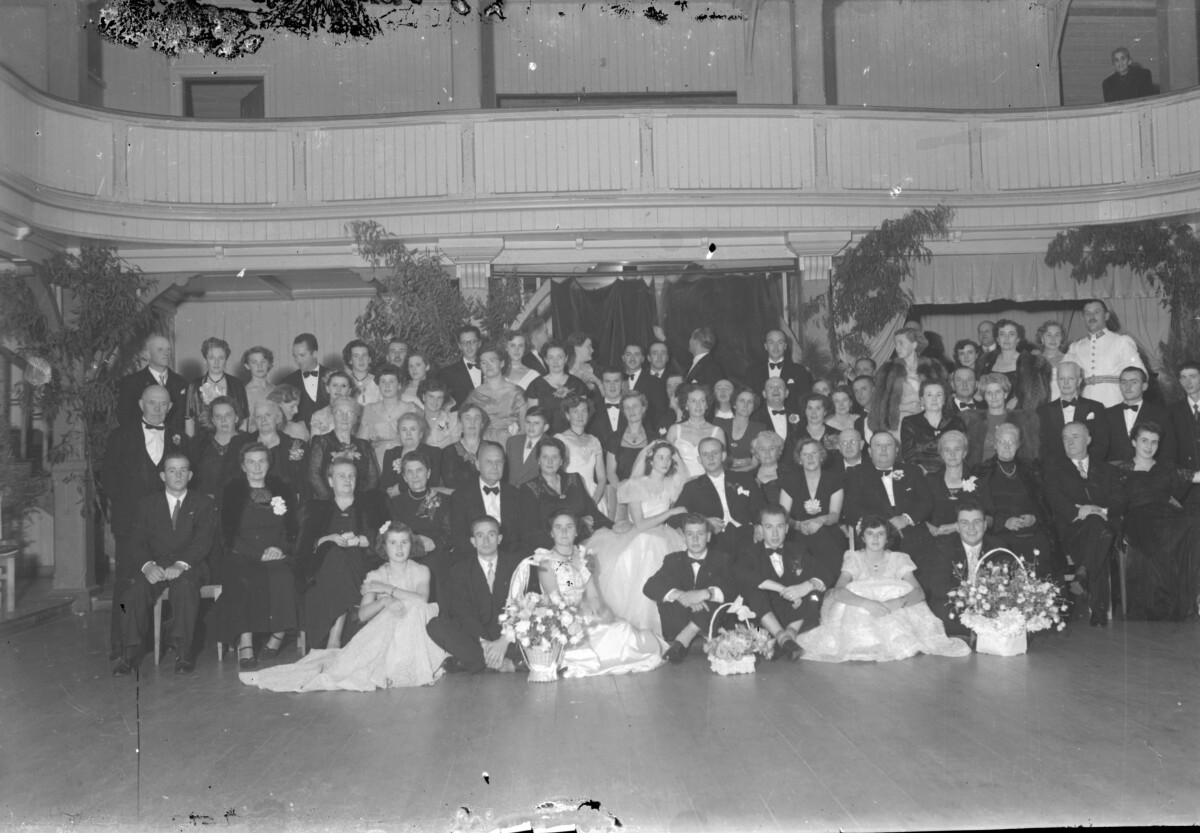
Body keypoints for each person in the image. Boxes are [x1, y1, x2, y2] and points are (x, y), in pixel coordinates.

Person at [242, 522, 448, 691]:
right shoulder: (375, 575)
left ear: (412, 546)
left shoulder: (421, 571)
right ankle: (393, 668)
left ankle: (404, 668)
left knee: (415, 609)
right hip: (385, 630)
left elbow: (421, 599)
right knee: (346, 665)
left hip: (415, 628)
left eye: (404, 542)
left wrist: (387, 589)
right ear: (384, 547)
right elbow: (364, 615)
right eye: (393, 543)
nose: (400, 548)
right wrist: (384, 601)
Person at [796, 514, 971, 663]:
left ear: (887, 538)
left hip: (893, 610)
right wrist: (867, 603)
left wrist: (898, 602)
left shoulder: (898, 559)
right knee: (854, 593)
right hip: (864, 611)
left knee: (900, 590)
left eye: (880, 534)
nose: (875, 538)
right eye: (870, 534)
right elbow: (839, 591)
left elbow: (919, 592)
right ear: (862, 538)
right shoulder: (854, 558)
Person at [519, 511, 663, 677]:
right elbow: (555, 601)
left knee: (622, 628)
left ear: (576, 531)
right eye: (558, 528)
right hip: (562, 618)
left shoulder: (583, 557)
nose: (564, 532)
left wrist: (602, 610)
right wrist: (581, 613)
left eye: (569, 527)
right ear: (551, 533)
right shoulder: (546, 562)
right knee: (591, 636)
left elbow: (593, 595)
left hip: (584, 613)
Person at [111, 452, 217, 676]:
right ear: (162, 475)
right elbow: (136, 542)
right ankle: (129, 654)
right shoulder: (147, 504)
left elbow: (204, 541)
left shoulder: (204, 503)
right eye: (171, 470)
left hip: (191, 565)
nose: (177, 475)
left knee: (185, 587)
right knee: (134, 592)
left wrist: (181, 564)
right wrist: (148, 566)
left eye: (182, 470)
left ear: (190, 475)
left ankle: (183, 653)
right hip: (157, 564)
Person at [103, 384, 189, 653]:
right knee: (128, 582)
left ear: (171, 407)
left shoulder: (178, 436)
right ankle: (122, 645)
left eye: (163, 403)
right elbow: (109, 480)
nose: (157, 408)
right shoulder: (120, 436)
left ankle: (162, 642)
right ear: (141, 403)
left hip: (169, 528)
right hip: (131, 525)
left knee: (163, 579)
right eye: (152, 402)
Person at [212, 443, 301, 670]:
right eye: (251, 462)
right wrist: (256, 554)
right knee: (242, 579)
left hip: (276, 552)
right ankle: (246, 642)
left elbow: (292, 528)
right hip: (242, 553)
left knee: (284, 576)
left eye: (262, 461)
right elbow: (226, 531)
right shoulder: (232, 491)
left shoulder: (282, 488)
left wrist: (280, 548)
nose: (257, 466)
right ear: (243, 465)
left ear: (269, 463)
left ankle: (278, 635)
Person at [587, 440, 689, 636]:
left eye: (668, 458)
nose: (665, 461)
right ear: (650, 460)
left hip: (664, 534)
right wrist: (670, 513)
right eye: (660, 457)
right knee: (647, 544)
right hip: (642, 534)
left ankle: (666, 625)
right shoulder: (636, 485)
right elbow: (640, 524)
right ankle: (637, 626)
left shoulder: (672, 485)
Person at [296, 459, 390, 649]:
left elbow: (382, 542)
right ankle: (334, 637)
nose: (347, 480)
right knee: (335, 556)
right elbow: (303, 546)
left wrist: (360, 540)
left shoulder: (370, 507)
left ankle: (334, 638)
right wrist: (327, 539)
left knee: (342, 558)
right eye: (341, 476)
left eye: (351, 476)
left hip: (362, 563)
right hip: (323, 570)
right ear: (330, 481)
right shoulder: (315, 508)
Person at [1110, 422, 1200, 620]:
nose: (1149, 446)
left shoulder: (1165, 468)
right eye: (1144, 440)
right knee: (1155, 528)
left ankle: (1192, 595)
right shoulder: (1120, 471)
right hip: (1139, 518)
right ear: (1134, 442)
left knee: (1197, 522)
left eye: (1154, 442)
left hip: (1167, 515)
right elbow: (1111, 501)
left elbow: (1194, 476)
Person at [1043, 422, 1127, 626]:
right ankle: (1096, 605)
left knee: (1097, 526)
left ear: (1088, 440)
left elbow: (1120, 499)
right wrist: (1079, 512)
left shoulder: (1106, 470)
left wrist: (1098, 510)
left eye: (1075, 436)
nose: (1069, 442)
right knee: (1097, 531)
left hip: (1102, 526)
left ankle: (1082, 573)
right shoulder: (1054, 468)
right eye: (1065, 438)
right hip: (1071, 528)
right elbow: (1054, 498)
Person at [734, 505, 838, 659]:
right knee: (752, 592)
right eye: (769, 527)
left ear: (787, 529)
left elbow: (825, 573)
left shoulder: (798, 549)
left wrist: (806, 586)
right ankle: (782, 637)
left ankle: (790, 634)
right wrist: (782, 589)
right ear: (760, 529)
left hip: (795, 614)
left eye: (780, 526)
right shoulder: (750, 552)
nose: (775, 533)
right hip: (763, 620)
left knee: (814, 592)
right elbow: (741, 573)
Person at [425, 516, 525, 674]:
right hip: (477, 637)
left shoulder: (517, 565)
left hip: (509, 637)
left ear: (499, 538)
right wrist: (484, 643)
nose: (486, 540)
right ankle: (499, 662)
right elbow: (462, 612)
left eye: (491, 534)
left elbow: (522, 607)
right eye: (480, 535)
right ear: (473, 541)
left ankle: (473, 661)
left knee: (539, 629)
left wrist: (503, 642)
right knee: (435, 625)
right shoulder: (460, 569)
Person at [643, 513, 735, 664]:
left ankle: (684, 639)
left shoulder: (722, 559)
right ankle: (685, 634)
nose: (695, 539)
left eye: (700, 534)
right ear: (683, 538)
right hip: (678, 622)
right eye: (690, 534)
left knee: (718, 596)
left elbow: (732, 589)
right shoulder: (673, 559)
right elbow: (649, 586)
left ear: (709, 537)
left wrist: (706, 594)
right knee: (666, 593)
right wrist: (682, 595)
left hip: (712, 624)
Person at [976, 423, 1058, 578]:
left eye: (1011, 442)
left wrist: (1034, 518)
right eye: (1002, 442)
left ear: (1018, 445)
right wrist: (1004, 522)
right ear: (995, 444)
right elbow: (981, 510)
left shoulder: (1031, 469)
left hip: (1032, 531)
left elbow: (1045, 504)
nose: (1007, 446)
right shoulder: (983, 472)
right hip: (999, 533)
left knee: (1041, 546)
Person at [842, 431, 934, 557]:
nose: (883, 449)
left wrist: (905, 519)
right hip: (874, 535)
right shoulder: (856, 474)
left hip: (911, 532)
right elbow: (851, 508)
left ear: (896, 450)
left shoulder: (913, 471)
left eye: (888, 445)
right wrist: (883, 525)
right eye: (878, 445)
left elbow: (926, 501)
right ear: (869, 451)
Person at [518, 436, 613, 551]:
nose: (549, 461)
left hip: (581, 544)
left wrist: (613, 526)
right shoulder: (529, 488)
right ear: (538, 460)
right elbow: (531, 531)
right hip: (548, 550)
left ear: (561, 460)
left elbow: (592, 512)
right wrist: (560, 550)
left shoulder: (574, 480)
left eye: (555, 457)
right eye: (545, 457)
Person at [675, 437, 765, 551]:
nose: (710, 458)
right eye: (705, 454)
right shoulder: (692, 487)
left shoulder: (745, 478)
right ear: (699, 460)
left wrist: (759, 525)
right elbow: (675, 517)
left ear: (723, 456)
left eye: (715, 453)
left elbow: (760, 507)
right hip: (714, 541)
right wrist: (704, 522)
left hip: (748, 536)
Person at [932, 499, 1004, 636]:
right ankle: (977, 634)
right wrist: (968, 598)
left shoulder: (998, 546)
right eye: (965, 522)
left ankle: (980, 633)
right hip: (957, 602)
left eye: (976, 522)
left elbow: (1003, 582)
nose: (971, 528)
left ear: (984, 525)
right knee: (943, 612)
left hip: (987, 603)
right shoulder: (943, 546)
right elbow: (938, 586)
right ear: (957, 527)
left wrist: (983, 601)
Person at [778, 438, 847, 576]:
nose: (810, 458)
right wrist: (798, 525)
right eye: (805, 454)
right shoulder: (789, 481)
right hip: (797, 533)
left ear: (821, 456)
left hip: (827, 531)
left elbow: (834, 515)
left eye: (814, 453)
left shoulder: (835, 480)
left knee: (824, 539)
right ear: (799, 459)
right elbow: (782, 516)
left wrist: (820, 520)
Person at [1062, 299, 1147, 408]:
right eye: (1087, 313)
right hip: (1085, 405)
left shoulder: (1121, 341)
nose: (1091, 316)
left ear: (1106, 316)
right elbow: (1060, 375)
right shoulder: (1075, 347)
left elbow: (1141, 375)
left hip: (1114, 402)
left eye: (1096, 312)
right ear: (1083, 318)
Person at [868, 325, 948, 438]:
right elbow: (877, 407)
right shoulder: (888, 370)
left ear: (914, 344)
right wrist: (903, 407)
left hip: (930, 424)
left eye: (901, 343)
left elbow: (947, 399)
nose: (897, 348)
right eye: (895, 344)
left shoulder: (933, 368)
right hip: (900, 426)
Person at [447, 442, 522, 558]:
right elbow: (460, 539)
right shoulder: (460, 496)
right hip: (473, 560)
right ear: (477, 464)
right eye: (489, 462)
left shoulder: (517, 495)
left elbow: (520, 537)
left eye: (499, 462)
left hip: (509, 559)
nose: (495, 467)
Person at [386, 450, 452, 582]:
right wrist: (416, 539)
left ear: (428, 473)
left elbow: (450, 533)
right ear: (404, 477)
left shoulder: (444, 500)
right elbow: (393, 533)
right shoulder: (396, 503)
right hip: (406, 556)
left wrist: (434, 543)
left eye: (419, 470)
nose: (414, 476)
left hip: (436, 554)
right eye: (409, 472)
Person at [1036, 360, 1109, 468]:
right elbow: (1040, 445)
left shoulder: (1096, 408)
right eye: (1062, 378)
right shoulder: (1043, 411)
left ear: (1079, 381)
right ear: (1057, 381)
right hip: (1054, 471)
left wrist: (1085, 465)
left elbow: (1102, 444)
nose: (1066, 383)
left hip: (1088, 469)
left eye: (1071, 378)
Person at [924, 430, 994, 540]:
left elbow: (989, 519)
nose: (952, 454)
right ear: (941, 454)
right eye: (947, 450)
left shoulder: (979, 482)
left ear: (964, 453)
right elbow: (918, 514)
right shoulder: (929, 480)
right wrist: (932, 529)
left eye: (957, 449)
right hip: (935, 539)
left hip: (969, 538)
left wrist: (958, 527)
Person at [960, 372, 1039, 469]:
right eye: (989, 393)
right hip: (980, 474)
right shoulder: (972, 420)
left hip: (1012, 473)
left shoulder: (1021, 420)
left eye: (997, 392)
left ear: (1005, 394)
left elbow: (1030, 453)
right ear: (984, 396)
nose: (994, 397)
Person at [307, 397, 380, 500]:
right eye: (339, 412)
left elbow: (373, 479)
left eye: (349, 413)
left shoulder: (364, 445)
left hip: (359, 505)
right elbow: (313, 475)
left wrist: (359, 503)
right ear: (332, 416)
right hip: (328, 505)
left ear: (355, 419)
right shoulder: (320, 441)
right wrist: (332, 502)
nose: (344, 417)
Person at [116, 334, 189, 433]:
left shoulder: (182, 383)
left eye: (168, 349)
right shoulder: (131, 383)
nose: (166, 353)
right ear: (147, 354)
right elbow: (125, 419)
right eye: (160, 349)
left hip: (174, 443)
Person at [1105, 366, 1174, 464]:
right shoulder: (1107, 414)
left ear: (1144, 386)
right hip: (1114, 473)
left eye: (1134, 382)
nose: (1128, 387)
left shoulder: (1160, 414)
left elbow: (1168, 450)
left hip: (1149, 474)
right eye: (1124, 382)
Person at [979, 319, 1052, 412]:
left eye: (1011, 334)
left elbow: (1039, 396)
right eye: (1002, 334)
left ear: (1018, 339)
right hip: (993, 414)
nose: (1006, 338)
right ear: (997, 339)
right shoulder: (985, 362)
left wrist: (1018, 399)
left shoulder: (1033, 363)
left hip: (1022, 415)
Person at [246, 399, 311, 502]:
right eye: (258, 416)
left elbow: (303, 483)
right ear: (254, 421)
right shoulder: (243, 445)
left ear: (278, 418)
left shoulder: (296, 445)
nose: (263, 420)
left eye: (268, 415)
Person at [357, 363, 419, 468]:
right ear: (378, 385)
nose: (387, 385)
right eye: (383, 381)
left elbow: (419, 441)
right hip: (376, 464)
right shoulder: (369, 409)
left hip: (406, 462)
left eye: (391, 381)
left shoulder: (411, 409)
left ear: (399, 385)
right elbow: (361, 443)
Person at [463, 344, 527, 445]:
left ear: (502, 363)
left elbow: (525, 428)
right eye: (483, 363)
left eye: (492, 361)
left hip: (512, 444)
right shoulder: (474, 396)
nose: (488, 366)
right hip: (484, 444)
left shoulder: (517, 393)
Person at [557, 394, 609, 516]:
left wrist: (594, 501)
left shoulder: (594, 441)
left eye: (584, 411)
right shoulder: (560, 439)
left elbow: (602, 478)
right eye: (575, 411)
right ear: (567, 415)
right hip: (570, 495)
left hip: (594, 495)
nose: (580, 415)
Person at [525, 340, 589, 435]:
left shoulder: (578, 384)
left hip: (573, 437)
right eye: (551, 357)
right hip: (545, 439)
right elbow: (532, 418)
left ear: (566, 358)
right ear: (546, 360)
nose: (555, 361)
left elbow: (583, 417)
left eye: (560, 357)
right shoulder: (535, 385)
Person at [190, 395, 250, 498]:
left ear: (236, 418)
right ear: (212, 420)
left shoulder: (248, 443)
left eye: (228, 415)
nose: (223, 420)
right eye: (218, 416)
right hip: (205, 505)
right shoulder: (199, 444)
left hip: (238, 504)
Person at [900, 380, 965, 474]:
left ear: (944, 400)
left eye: (938, 395)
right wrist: (924, 474)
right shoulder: (910, 422)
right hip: (921, 476)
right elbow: (909, 456)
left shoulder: (956, 422)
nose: (934, 399)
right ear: (922, 400)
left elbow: (963, 452)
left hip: (951, 474)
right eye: (929, 395)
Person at [746, 329, 813, 412]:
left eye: (780, 342)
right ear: (766, 346)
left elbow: (804, 400)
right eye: (771, 342)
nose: (775, 347)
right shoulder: (753, 371)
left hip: (791, 420)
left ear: (785, 346)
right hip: (760, 421)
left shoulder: (799, 371)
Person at [667, 384, 725, 479]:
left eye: (702, 401)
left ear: (706, 405)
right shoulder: (674, 430)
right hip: (678, 483)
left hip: (707, 484)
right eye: (693, 401)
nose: (698, 405)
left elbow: (721, 466)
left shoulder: (717, 432)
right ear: (686, 405)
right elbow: (667, 461)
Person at [380, 412, 444, 495]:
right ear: (399, 434)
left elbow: (432, 482)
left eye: (413, 429)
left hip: (421, 499)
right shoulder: (390, 453)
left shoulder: (433, 453)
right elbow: (384, 484)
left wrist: (401, 488)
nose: (408, 434)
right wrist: (388, 491)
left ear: (421, 434)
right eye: (404, 430)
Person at [604, 392, 652, 498]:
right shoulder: (614, 438)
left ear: (643, 408)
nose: (631, 410)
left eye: (635, 406)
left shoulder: (654, 438)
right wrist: (623, 492)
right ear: (623, 412)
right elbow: (610, 472)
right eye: (627, 407)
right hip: (620, 494)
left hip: (648, 494)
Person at [279, 333, 329, 427]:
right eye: (295, 356)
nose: (298, 360)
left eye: (302, 355)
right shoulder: (287, 382)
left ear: (314, 354)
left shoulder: (333, 376)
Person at [1168, 360, 1200, 507]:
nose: (1188, 382)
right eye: (1183, 377)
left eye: (1193, 376)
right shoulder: (1172, 411)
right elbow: (1169, 452)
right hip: (1187, 489)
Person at [621, 342, 671, 434]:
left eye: (637, 355)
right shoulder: (615, 379)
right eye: (629, 355)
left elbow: (658, 414)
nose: (632, 358)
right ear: (623, 357)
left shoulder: (655, 382)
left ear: (643, 359)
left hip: (643, 434)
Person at [440, 403, 489, 490]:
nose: (472, 422)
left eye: (477, 418)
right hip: (460, 500)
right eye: (467, 418)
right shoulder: (448, 452)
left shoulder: (494, 448)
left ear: (482, 424)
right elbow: (449, 484)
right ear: (460, 424)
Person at [751, 377, 799, 464]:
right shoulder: (755, 418)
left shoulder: (798, 416)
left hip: (795, 469)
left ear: (786, 393)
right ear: (764, 394)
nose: (776, 390)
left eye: (780, 387)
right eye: (771, 387)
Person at [439, 324, 484, 409]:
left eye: (473, 341)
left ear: (479, 343)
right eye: (464, 342)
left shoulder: (491, 369)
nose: (468, 346)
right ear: (459, 346)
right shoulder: (447, 373)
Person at [724, 386, 766, 473]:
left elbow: (754, 464)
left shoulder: (760, 429)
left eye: (750, 402)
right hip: (720, 475)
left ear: (753, 407)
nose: (745, 405)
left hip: (747, 477)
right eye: (742, 401)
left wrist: (734, 471)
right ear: (734, 404)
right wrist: (741, 462)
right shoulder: (719, 424)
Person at [507, 406, 549, 488]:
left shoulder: (550, 445)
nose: (531, 426)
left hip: (535, 496)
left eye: (536, 423)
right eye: (528, 422)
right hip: (511, 494)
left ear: (545, 427)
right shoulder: (512, 442)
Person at [587, 367, 629, 448]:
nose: (612, 386)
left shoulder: (632, 407)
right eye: (607, 382)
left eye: (616, 381)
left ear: (623, 384)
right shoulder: (591, 408)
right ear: (602, 384)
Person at [307, 370, 356, 437]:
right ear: (327, 388)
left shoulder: (356, 414)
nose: (338, 389)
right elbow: (314, 444)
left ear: (349, 391)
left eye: (343, 386)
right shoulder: (318, 416)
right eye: (334, 385)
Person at [794, 392, 841, 461]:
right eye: (810, 408)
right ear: (805, 411)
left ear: (825, 412)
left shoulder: (836, 433)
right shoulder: (794, 437)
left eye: (818, 408)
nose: (813, 412)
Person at [418, 378, 461, 450]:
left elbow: (456, 451)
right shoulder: (416, 420)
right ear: (423, 397)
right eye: (431, 397)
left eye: (439, 398)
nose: (435, 401)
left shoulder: (452, 420)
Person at [751, 429, 787, 504]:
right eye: (762, 449)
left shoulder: (789, 475)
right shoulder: (749, 477)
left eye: (771, 448)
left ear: (779, 451)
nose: (767, 453)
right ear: (756, 454)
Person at [1035, 320, 1068, 399]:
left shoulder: (1070, 359)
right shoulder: (1035, 360)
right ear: (1042, 338)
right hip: (1042, 406)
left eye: (1057, 335)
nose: (1053, 339)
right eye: (1048, 335)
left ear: (1062, 338)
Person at [241, 346, 276, 420]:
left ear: (269, 364)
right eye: (254, 362)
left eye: (263, 361)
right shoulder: (244, 393)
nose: (259, 366)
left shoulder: (275, 389)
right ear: (247, 366)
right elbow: (243, 426)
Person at [343, 339, 380, 406]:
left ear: (370, 359)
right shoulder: (344, 382)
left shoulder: (379, 382)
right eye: (356, 356)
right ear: (350, 360)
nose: (361, 359)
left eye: (364, 355)